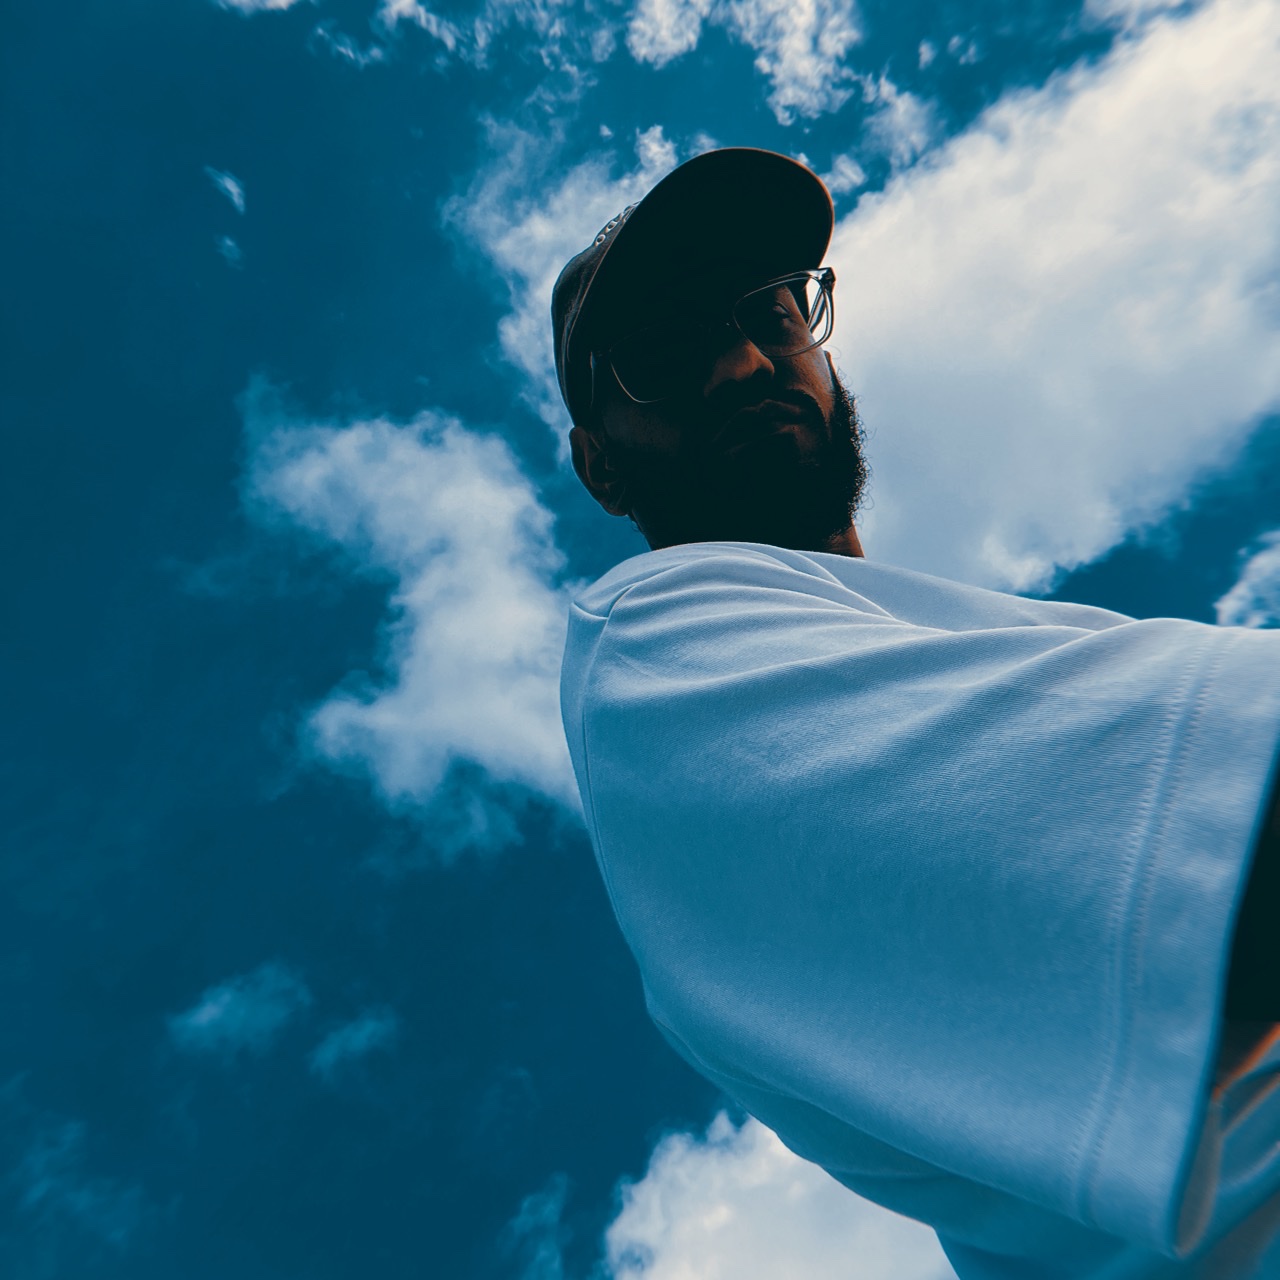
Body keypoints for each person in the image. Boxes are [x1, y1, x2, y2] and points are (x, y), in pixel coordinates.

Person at [551, 147, 1280, 1278]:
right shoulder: (657, 656)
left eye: (770, 312)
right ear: (600, 467)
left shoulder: (941, 645)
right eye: (662, 354)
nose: (742, 362)